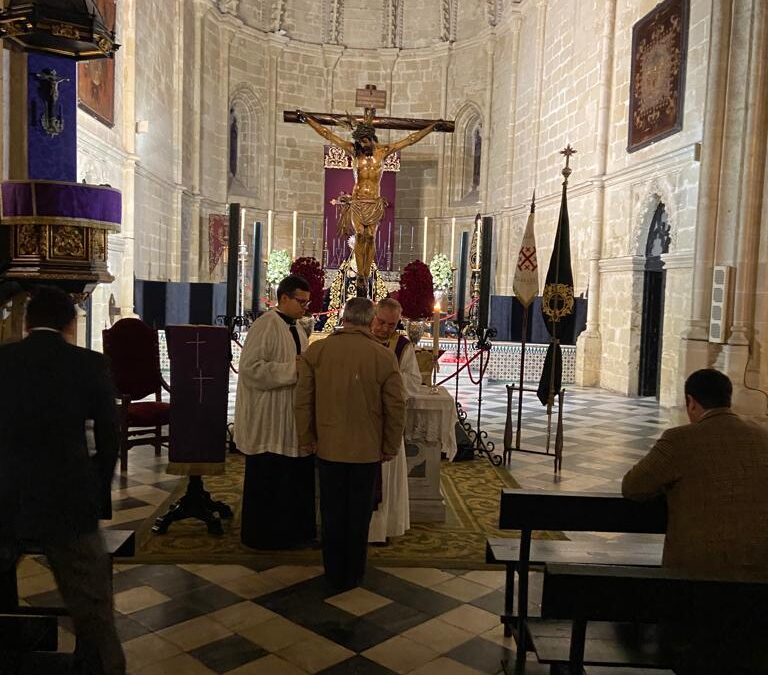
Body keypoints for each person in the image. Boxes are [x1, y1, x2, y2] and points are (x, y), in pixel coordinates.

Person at [0, 286, 125, 675]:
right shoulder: (89, 364)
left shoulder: (2, 361)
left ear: (25, 321)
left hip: (4, 500)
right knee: (92, 606)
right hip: (67, 501)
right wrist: (97, 490)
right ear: (71, 323)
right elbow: (109, 436)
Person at [622, 368, 768, 673]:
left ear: (691, 403)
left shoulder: (680, 439)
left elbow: (633, 487)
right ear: (728, 400)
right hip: (758, 587)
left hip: (695, 591)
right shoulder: (762, 439)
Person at [295, 297, 405, 590]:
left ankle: (333, 572)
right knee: (359, 514)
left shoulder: (318, 351)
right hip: (367, 449)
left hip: (328, 446)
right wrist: (390, 445)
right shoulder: (382, 356)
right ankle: (354, 573)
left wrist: (307, 438)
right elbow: (395, 407)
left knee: (331, 511)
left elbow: (303, 401)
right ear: (371, 321)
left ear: (343, 318)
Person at [297, 108, 439, 287]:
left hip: (374, 202)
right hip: (357, 202)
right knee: (360, 235)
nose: (362, 146)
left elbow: (410, 140)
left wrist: (431, 128)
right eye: (360, 143)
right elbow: (327, 134)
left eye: (365, 142)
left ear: (372, 139)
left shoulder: (383, 151)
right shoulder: (353, 151)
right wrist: (309, 120)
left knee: (370, 237)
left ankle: (366, 273)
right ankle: (360, 277)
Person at [234, 274, 315, 549]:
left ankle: (292, 534)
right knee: (268, 477)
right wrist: (293, 369)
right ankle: (262, 537)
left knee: (291, 479)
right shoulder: (265, 326)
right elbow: (250, 369)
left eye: (307, 301)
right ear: (283, 298)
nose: (305, 306)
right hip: (268, 417)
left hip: (290, 417)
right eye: (300, 301)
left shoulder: (298, 329)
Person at [368, 297, 423, 543]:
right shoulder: (360, 339)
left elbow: (413, 381)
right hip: (362, 420)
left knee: (387, 475)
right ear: (372, 317)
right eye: (381, 322)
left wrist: (389, 382)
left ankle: (384, 528)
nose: (384, 329)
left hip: (388, 420)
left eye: (391, 325)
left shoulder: (402, 346)